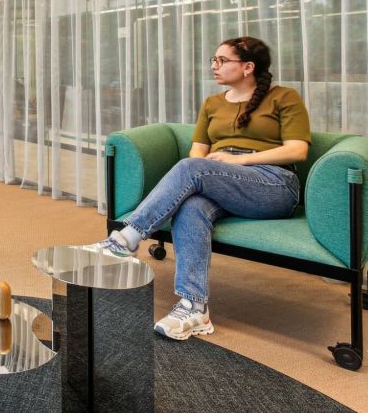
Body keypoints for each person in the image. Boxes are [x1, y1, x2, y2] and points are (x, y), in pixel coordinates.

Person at [96, 36, 311, 340]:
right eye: (214, 59)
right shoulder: (213, 103)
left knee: (191, 168)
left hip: (272, 184)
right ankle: (194, 308)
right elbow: (198, 152)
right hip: (221, 180)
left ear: (248, 67)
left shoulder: (284, 97)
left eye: (223, 60)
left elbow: (297, 150)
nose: (214, 65)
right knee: (191, 206)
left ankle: (127, 238)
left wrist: (237, 161)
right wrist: (214, 167)